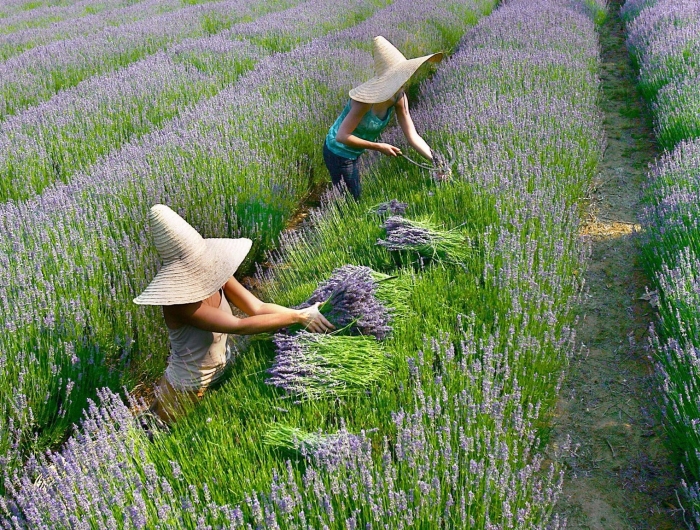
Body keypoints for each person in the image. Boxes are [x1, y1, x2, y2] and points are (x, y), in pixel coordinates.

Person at [133, 204, 334, 424]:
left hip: (222, 374)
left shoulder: (217, 275)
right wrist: (298, 318)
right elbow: (239, 325)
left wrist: (302, 312)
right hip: (187, 388)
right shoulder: (179, 304)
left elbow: (257, 308)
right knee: (165, 438)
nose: (206, 270)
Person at [323, 36, 443, 199]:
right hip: (337, 151)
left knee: (352, 194)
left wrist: (436, 161)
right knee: (352, 199)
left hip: (355, 151)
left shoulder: (399, 97)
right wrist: (379, 146)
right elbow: (342, 136)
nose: (405, 81)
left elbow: (413, 136)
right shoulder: (365, 102)